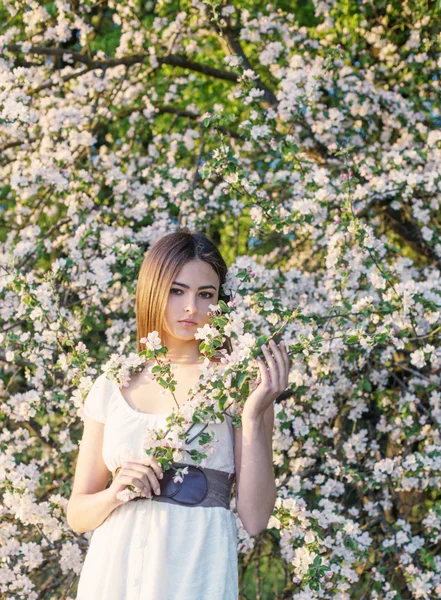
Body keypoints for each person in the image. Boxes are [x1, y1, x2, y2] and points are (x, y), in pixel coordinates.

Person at [67, 230, 289, 599]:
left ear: (221, 303)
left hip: (194, 568)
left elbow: (255, 518)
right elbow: (78, 513)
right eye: (177, 290)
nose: (192, 308)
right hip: (114, 571)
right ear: (154, 290)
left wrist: (253, 417)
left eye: (206, 295)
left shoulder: (238, 386)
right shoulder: (113, 383)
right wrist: (114, 493)